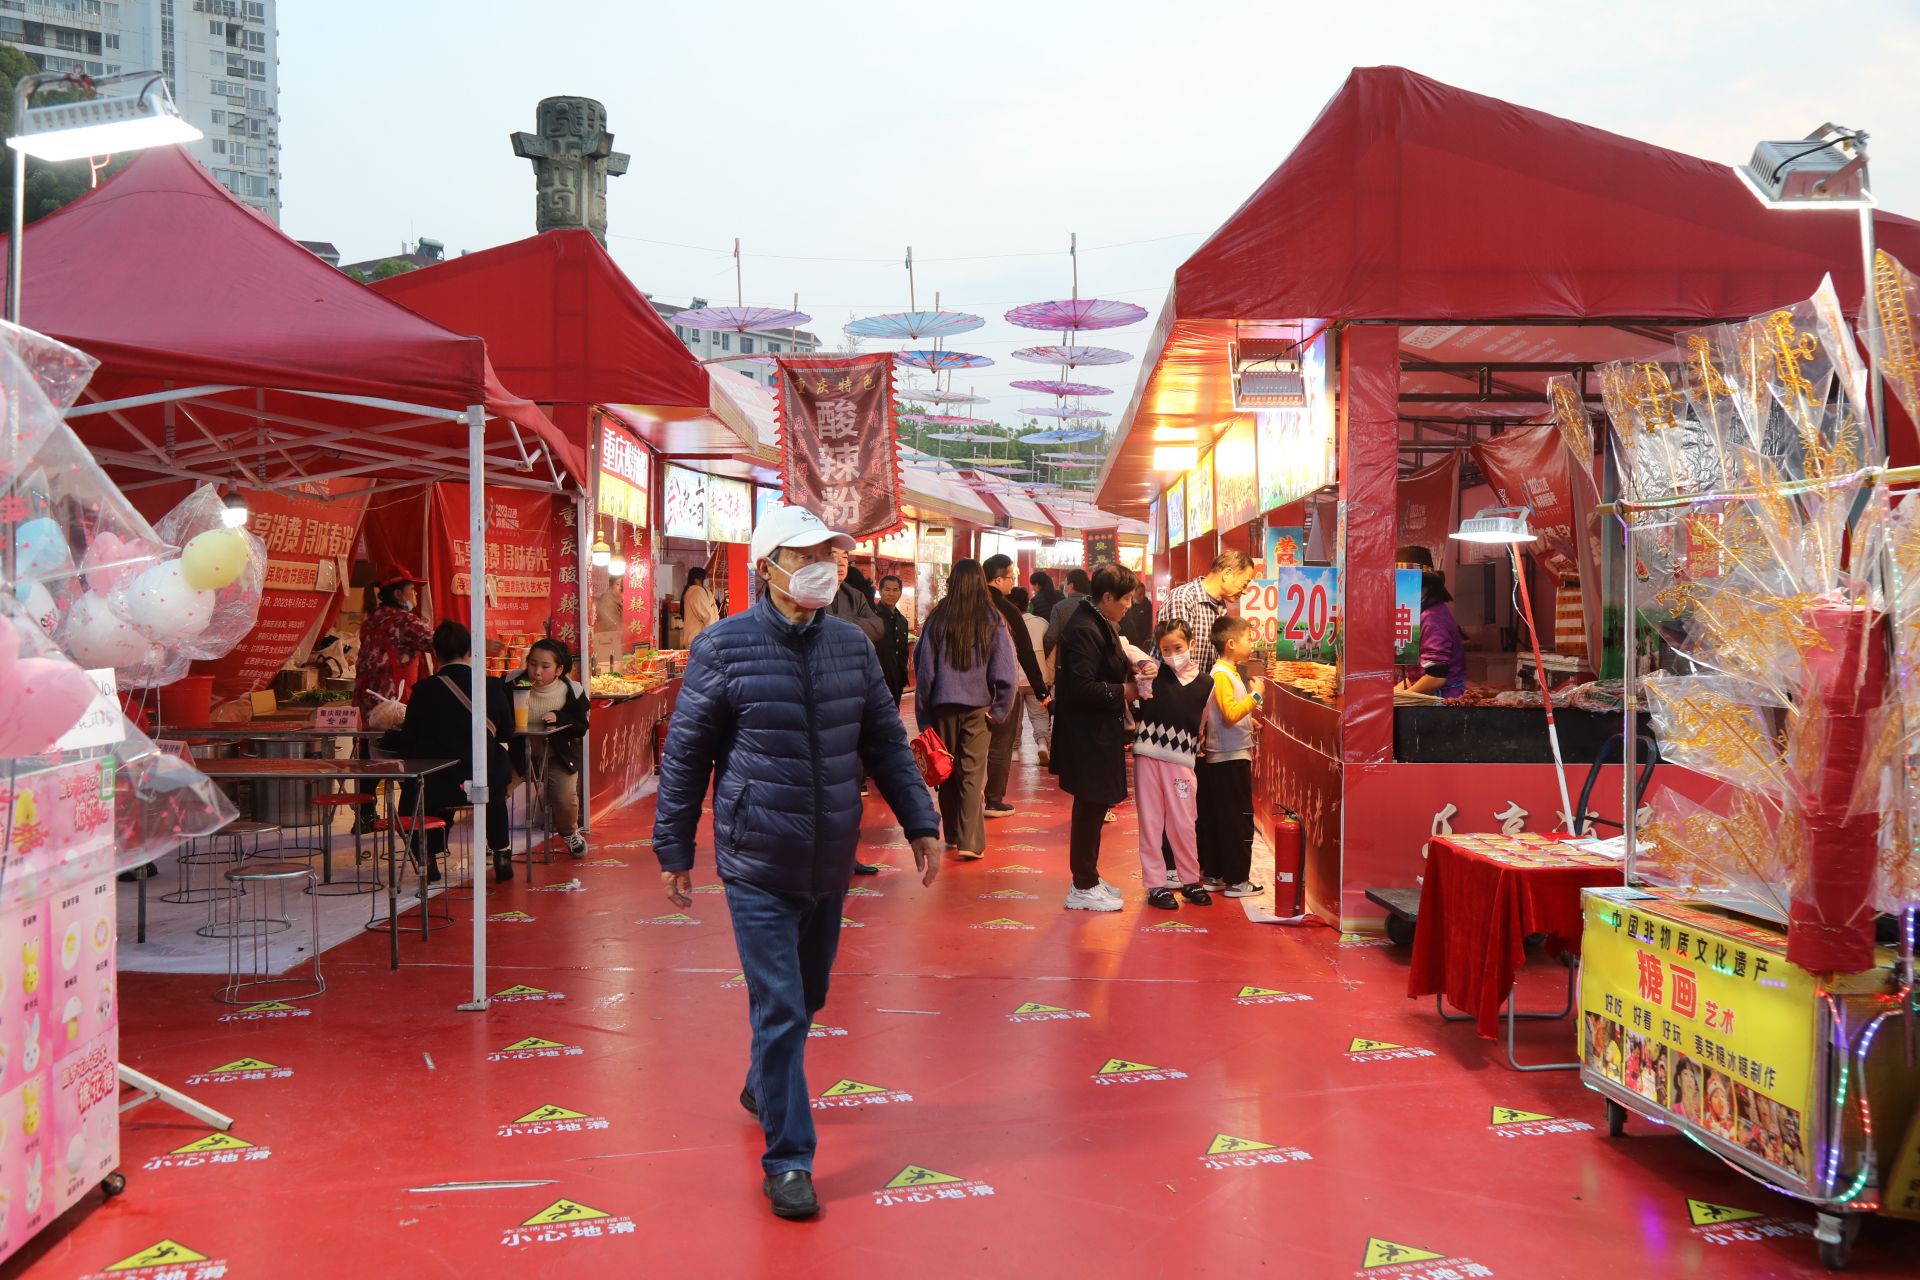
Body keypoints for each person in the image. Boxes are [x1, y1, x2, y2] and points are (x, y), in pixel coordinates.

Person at [652, 504, 942, 1221]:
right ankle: (789, 1160)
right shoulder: (722, 648)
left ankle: (763, 1082)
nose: (822, 567)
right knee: (780, 1006)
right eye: (805, 555)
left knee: (808, 996)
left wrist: (920, 821)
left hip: (831, 855)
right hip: (756, 857)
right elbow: (686, 755)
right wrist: (674, 845)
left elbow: (884, 741)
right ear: (768, 567)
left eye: (828, 555)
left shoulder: (851, 646)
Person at [388, 620, 514, 882]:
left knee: (417, 797)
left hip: (438, 780)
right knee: (494, 796)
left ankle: (429, 858)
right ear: (470, 651)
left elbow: (409, 739)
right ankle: (502, 854)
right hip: (484, 778)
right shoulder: (491, 686)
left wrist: (388, 736)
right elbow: (506, 733)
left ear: (435, 654)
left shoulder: (424, 690)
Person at [1050, 562, 1140, 911]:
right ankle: (1082, 885)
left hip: (1098, 729)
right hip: (1088, 733)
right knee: (1090, 806)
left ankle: (1088, 876)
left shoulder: (1097, 620)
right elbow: (1083, 686)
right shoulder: (1085, 627)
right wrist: (1124, 691)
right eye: (1126, 599)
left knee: (1095, 805)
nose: (1129, 605)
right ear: (1107, 597)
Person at [914, 559, 1015, 862]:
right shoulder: (992, 618)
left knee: (945, 770)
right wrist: (999, 710)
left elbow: (924, 670)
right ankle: (970, 841)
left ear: (953, 583)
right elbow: (1006, 671)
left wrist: (924, 716)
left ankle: (953, 833)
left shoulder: (937, 617)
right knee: (972, 773)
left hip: (942, 707)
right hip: (978, 709)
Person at [1131, 619, 1216, 909]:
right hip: (1147, 758)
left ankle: (1190, 880)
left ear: (1192, 644)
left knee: (1184, 823)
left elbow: (1202, 723)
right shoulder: (1152, 673)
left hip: (1182, 762)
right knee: (1151, 823)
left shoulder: (1207, 683)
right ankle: (1156, 885)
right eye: (1165, 649)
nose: (1172, 654)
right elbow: (1124, 645)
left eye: (1178, 647)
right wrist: (1146, 663)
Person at [353, 565, 434, 833]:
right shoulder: (405, 621)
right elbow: (440, 644)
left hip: (366, 704)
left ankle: (364, 816)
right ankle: (408, 819)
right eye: (411, 589)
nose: (415, 594)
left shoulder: (371, 620)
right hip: (393, 704)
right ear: (399, 594)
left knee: (368, 759)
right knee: (405, 759)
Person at [1198, 614, 1267, 898]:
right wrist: (1257, 696)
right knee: (1237, 820)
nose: (1252, 644)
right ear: (1230, 644)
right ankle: (1237, 880)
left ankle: (1213, 874)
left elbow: (1228, 713)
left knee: (1219, 817)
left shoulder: (1227, 673)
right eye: (1248, 638)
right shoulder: (1222, 674)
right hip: (1230, 758)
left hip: (1225, 756)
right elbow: (1229, 713)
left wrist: (1249, 721)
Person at [981, 554, 1051, 819]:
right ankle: (993, 800)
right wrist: (1041, 690)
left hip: (964, 691)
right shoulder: (1006, 610)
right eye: (1011, 577)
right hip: (1001, 689)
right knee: (1001, 744)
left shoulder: (958, 607)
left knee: (968, 746)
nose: (1013, 582)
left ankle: (965, 799)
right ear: (998, 579)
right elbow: (1025, 652)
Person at [512, 638, 590, 859]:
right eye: (532, 664)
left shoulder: (572, 690)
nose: (537, 671)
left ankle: (569, 833)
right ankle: (494, 843)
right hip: (519, 754)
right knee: (496, 787)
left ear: (559, 669)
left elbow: (581, 726)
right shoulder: (512, 684)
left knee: (565, 797)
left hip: (558, 755)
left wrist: (560, 717)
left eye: (545, 666)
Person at [1158, 549, 1259, 672]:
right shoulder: (1183, 598)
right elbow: (1176, 659)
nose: (1245, 591)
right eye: (1245, 583)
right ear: (1227, 574)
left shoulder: (1221, 606)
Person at [1394, 545, 1467, 699]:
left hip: (1443, 702)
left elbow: (1435, 677)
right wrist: (1391, 697)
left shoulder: (1433, 618)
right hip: (1425, 698)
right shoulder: (1416, 614)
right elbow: (1414, 677)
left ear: (1424, 584)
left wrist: (1400, 699)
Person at [1019, 606, 1052, 766]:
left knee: (1013, 718)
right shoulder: (1042, 623)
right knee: (1039, 714)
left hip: (1014, 679)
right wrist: (1050, 675)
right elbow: (1052, 651)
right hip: (1038, 679)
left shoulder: (1004, 622)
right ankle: (1042, 744)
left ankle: (1014, 750)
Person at [873, 574, 912, 706]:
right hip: (877, 681)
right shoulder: (872, 617)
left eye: (895, 590)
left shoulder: (902, 621)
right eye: (887, 589)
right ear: (880, 591)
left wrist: (903, 677)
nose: (891, 594)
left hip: (897, 681)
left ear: (900, 592)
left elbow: (903, 652)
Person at [1044, 567, 1091, 657]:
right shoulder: (1096, 605)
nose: (1064, 588)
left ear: (1071, 585)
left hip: (1067, 658)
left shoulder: (1059, 607)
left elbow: (1051, 638)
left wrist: (1044, 656)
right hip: (1093, 657)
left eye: (1066, 584)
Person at [680, 566, 719, 648]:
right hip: (700, 641)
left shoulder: (693, 591)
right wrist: (715, 636)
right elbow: (708, 616)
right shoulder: (697, 591)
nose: (706, 581)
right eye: (704, 578)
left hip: (696, 640)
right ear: (697, 579)